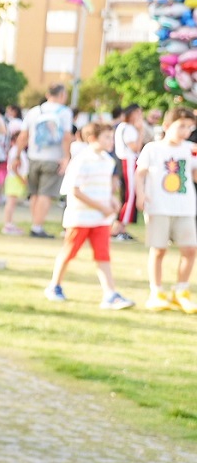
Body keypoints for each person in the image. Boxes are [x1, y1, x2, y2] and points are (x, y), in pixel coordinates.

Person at [45, 122, 132, 309]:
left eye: (111, 137)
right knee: (69, 252)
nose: (111, 141)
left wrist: (111, 200)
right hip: (81, 217)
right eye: (106, 137)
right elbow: (74, 190)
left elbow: (104, 187)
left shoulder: (107, 161)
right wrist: (100, 206)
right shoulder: (82, 160)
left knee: (103, 255)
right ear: (92, 138)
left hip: (101, 219)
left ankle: (110, 294)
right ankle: (55, 285)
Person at [135, 107, 197, 313]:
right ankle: (157, 292)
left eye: (190, 127)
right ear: (167, 126)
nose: (186, 132)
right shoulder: (152, 148)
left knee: (190, 249)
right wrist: (141, 194)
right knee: (159, 249)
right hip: (159, 205)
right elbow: (140, 173)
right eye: (181, 126)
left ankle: (181, 290)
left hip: (185, 206)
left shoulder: (191, 149)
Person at [23, 84, 75, 238]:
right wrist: (66, 157)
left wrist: (17, 155)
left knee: (34, 193)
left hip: (33, 156)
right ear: (62, 95)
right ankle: (37, 227)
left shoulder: (34, 111)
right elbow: (66, 137)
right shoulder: (64, 112)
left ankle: (35, 224)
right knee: (45, 194)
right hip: (54, 158)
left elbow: (23, 135)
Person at [112, 104, 145, 239]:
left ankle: (120, 228)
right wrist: (141, 131)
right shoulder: (128, 128)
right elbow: (135, 147)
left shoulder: (123, 126)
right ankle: (119, 228)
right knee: (129, 196)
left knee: (128, 195)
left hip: (126, 161)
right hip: (128, 161)